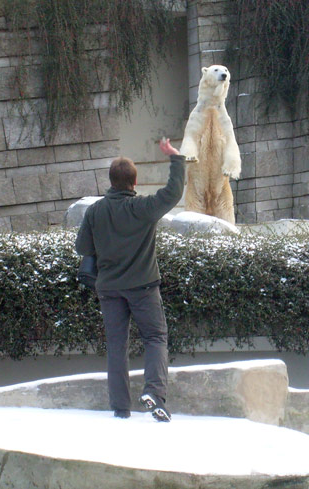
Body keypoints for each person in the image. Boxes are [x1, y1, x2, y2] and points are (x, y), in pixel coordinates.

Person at [75, 137, 185, 422]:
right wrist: (175, 158)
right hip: (144, 287)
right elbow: (173, 193)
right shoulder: (143, 209)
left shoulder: (95, 211)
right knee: (155, 338)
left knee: (116, 346)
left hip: (109, 289)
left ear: (111, 182)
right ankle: (155, 393)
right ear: (134, 183)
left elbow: (83, 248)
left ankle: (120, 408)